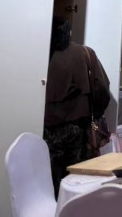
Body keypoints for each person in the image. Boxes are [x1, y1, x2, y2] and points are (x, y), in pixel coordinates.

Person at [44, 17, 111, 196]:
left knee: (48, 181)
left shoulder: (40, 55)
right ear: (69, 33)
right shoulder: (84, 53)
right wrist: (95, 113)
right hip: (78, 128)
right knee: (78, 180)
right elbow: (102, 89)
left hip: (45, 129)